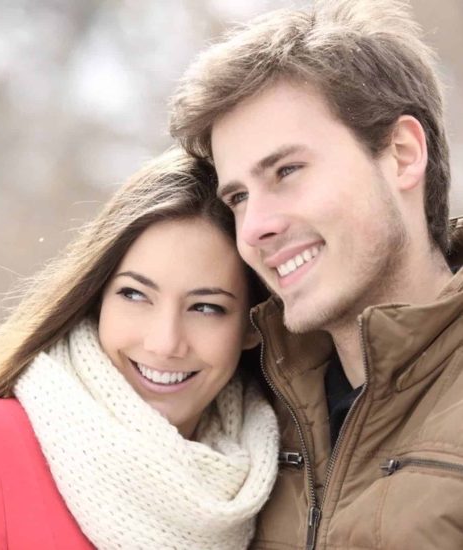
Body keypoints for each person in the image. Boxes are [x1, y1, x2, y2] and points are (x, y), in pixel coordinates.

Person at [169, 0, 463, 548]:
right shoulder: (237, 422)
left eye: (287, 171)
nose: (254, 227)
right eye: (237, 197)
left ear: (401, 154)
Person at [0, 148, 279, 550]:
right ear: (97, 298)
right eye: (135, 295)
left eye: (206, 307)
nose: (165, 342)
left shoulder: (276, 482)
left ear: (252, 325)